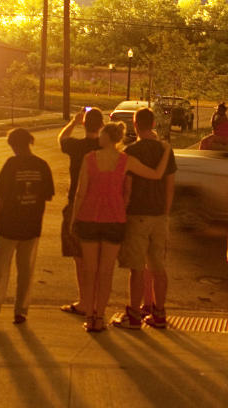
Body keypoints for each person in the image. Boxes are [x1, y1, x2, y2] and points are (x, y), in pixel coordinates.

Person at [70, 122, 172, 332]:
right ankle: (100, 318)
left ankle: (90, 317)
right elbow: (156, 174)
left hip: (88, 218)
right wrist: (166, 153)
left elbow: (81, 192)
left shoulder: (89, 159)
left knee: (90, 272)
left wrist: (73, 219)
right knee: (106, 272)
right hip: (115, 220)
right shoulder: (125, 160)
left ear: (105, 137)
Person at [0, 128, 54, 324]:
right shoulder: (42, 165)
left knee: (0, 267)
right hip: (32, 225)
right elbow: (48, 195)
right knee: (26, 270)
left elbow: (1, 195)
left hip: (8, 224)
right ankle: (21, 310)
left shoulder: (11, 164)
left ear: (14, 145)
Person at [111, 107, 177, 330]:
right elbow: (170, 186)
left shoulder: (131, 152)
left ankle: (134, 314)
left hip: (138, 214)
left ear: (135, 124)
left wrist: (122, 214)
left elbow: (127, 189)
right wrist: (165, 213)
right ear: (154, 124)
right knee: (158, 267)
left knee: (137, 268)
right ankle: (159, 313)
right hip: (160, 216)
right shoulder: (164, 150)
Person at [57, 106, 103, 316]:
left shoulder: (76, 147)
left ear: (85, 124)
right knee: (96, 258)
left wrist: (73, 121)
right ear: (102, 126)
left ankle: (84, 301)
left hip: (76, 204)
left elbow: (62, 138)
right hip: (100, 207)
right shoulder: (106, 149)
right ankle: (95, 302)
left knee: (79, 255)